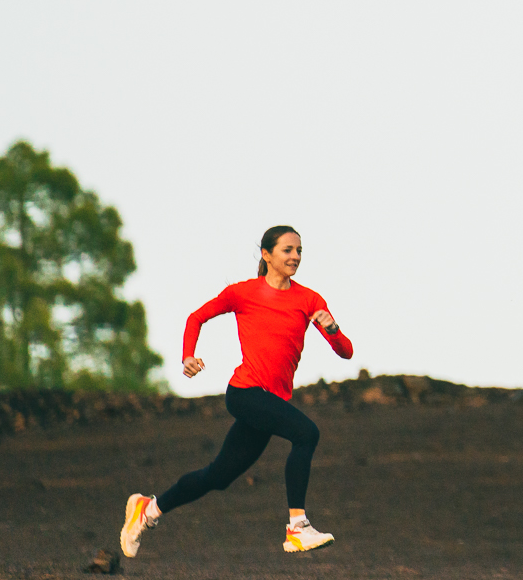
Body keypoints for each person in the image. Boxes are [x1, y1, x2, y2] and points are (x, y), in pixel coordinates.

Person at [120, 225, 353, 559]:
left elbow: (346, 352)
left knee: (218, 476)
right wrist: (188, 355)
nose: (296, 257)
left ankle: (148, 510)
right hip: (245, 392)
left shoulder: (309, 299)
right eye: (288, 250)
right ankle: (297, 527)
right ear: (267, 254)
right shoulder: (243, 293)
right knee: (307, 433)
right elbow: (196, 317)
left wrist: (333, 328)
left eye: (300, 251)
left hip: (270, 401)